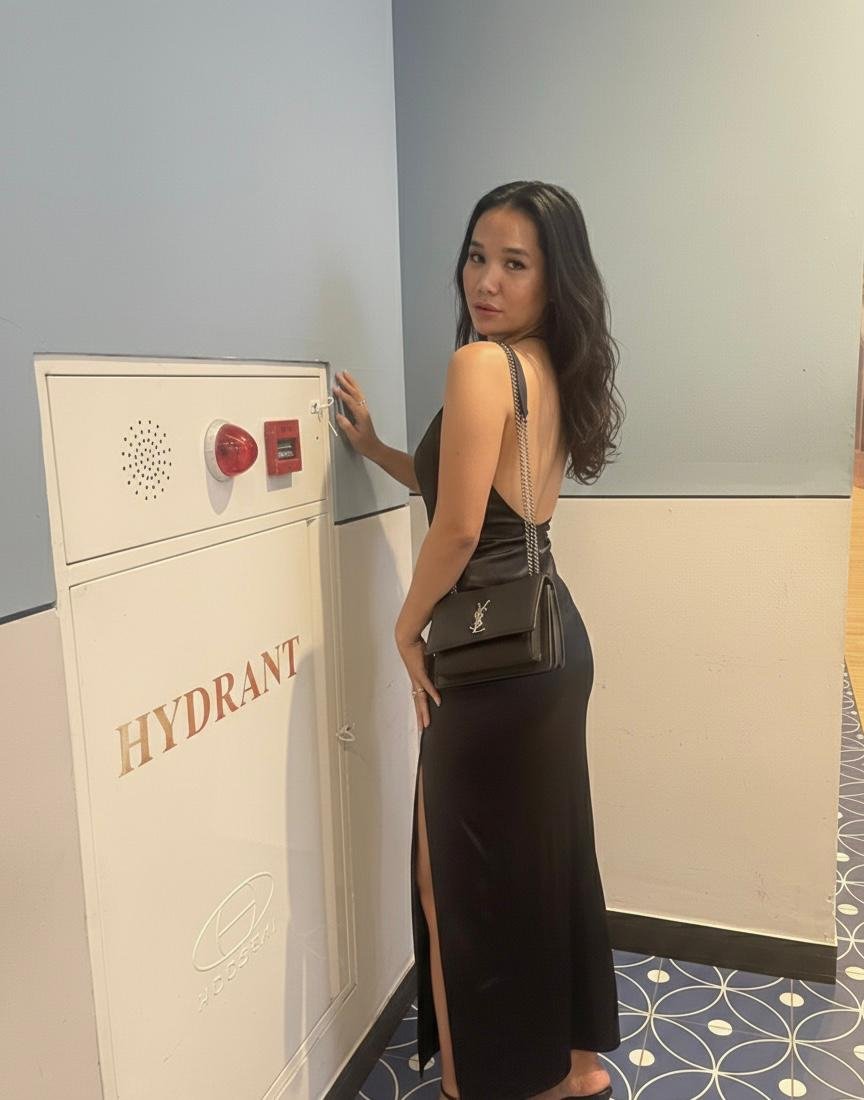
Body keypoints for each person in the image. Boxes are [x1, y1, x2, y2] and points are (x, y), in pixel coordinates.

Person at [333, 180, 625, 1100]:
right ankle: (573, 1066)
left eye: (514, 263)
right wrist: (376, 447)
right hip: (548, 639)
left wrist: (404, 627)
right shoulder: (548, 365)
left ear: (553, 277)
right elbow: (466, 483)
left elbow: (459, 528)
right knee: (547, 861)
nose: (486, 281)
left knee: (450, 882)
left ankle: (476, 1084)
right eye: (476, 256)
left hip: (489, 655)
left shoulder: (478, 365)